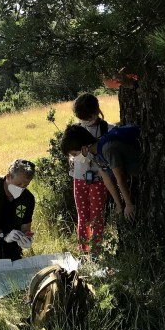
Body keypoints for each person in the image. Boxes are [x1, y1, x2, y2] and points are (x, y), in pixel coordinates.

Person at [60, 123, 141, 221]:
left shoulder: (107, 149)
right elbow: (107, 179)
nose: (75, 158)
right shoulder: (95, 153)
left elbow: (120, 178)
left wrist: (129, 204)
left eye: (75, 154)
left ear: (84, 148)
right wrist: (119, 204)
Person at [69, 94, 110, 255]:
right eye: (81, 119)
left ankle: (96, 252)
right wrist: (72, 157)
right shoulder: (75, 129)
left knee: (97, 217)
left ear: (96, 111)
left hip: (99, 179)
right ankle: (83, 251)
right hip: (79, 178)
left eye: (88, 118)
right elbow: (69, 150)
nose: (85, 122)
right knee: (82, 217)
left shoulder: (107, 128)